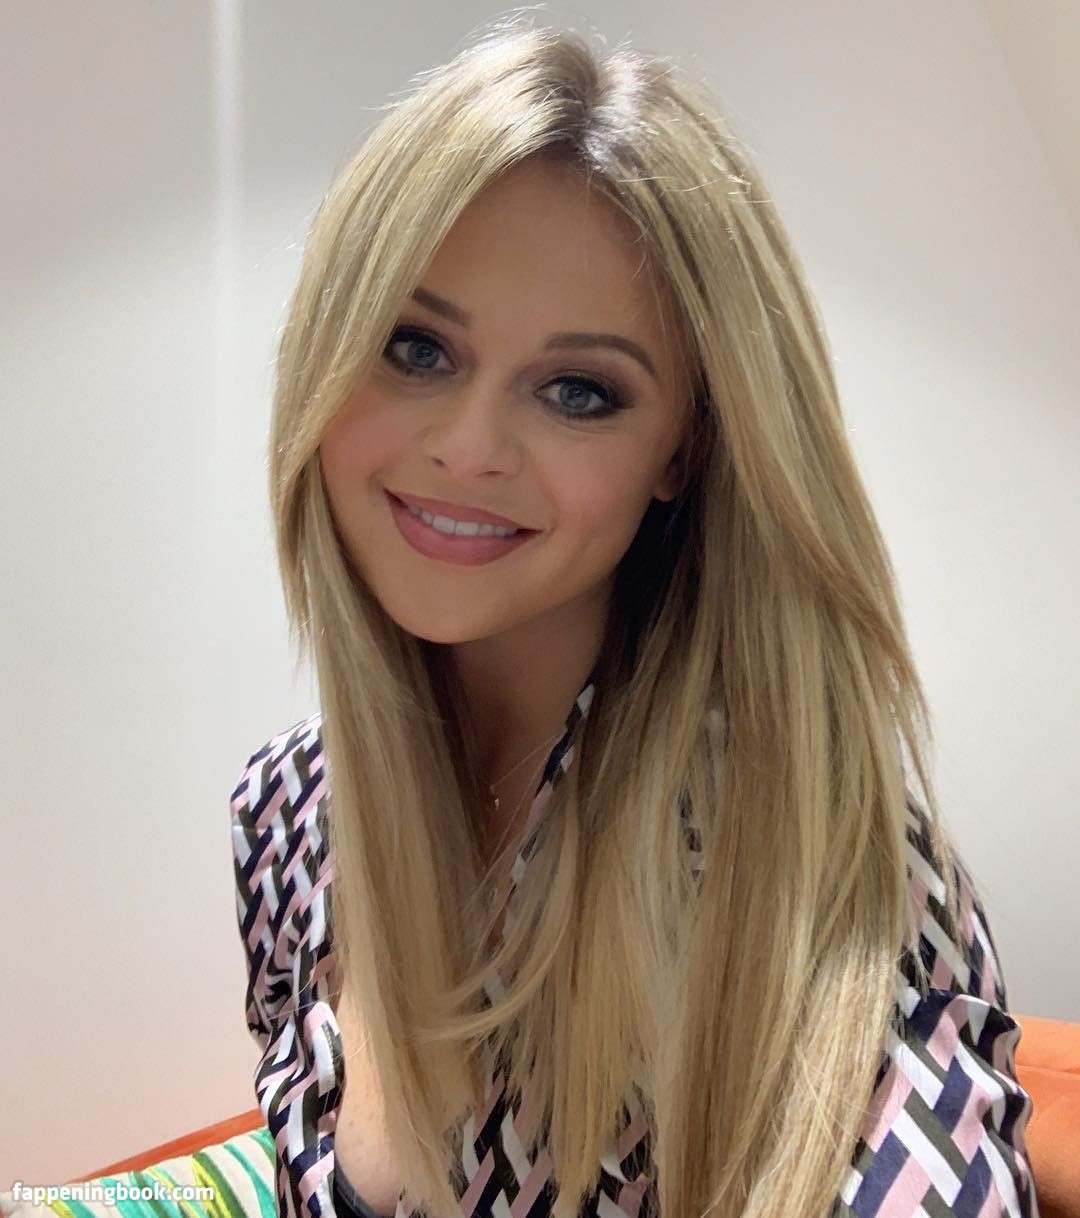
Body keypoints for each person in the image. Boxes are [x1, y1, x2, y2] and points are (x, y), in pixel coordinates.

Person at [229, 17, 1039, 1218]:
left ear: (681, 452)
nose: (467, 447)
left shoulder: (802, 851)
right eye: (415, 347)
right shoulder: (286, 813)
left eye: (578, 390)